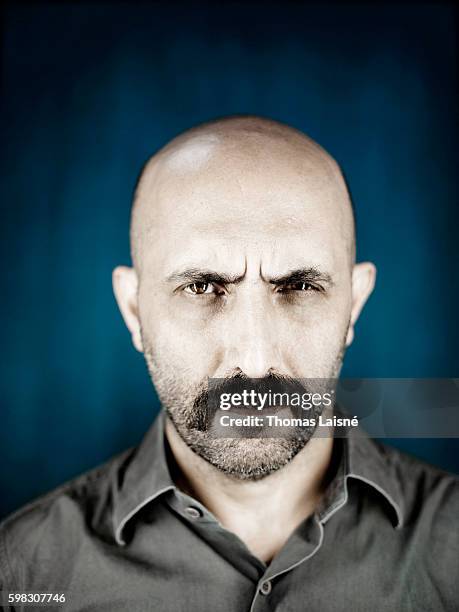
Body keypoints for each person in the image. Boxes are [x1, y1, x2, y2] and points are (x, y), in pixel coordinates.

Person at [1, 115, 458, 611]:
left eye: (299, 287)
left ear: (354, 304)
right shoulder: (24, 575)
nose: (256, 361)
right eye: (202, 287)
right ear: (133, 310)